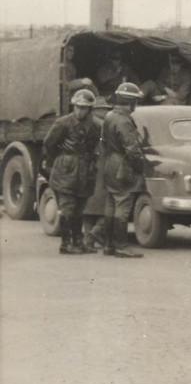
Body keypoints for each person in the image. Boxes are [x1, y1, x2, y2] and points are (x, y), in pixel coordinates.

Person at [42, 89, 102, 255]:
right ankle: (66, 243)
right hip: (67, 169)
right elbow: (49, 144)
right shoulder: (63, 123)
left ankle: (78, 241)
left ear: (90, 109)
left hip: (85, 169)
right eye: (76, 106)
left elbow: (95, 145)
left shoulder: (96, 125)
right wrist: (63, 156)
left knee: (80, 206)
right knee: (68, 207)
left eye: (83, 107)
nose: (79, 110)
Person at [100, 82, 147, 258]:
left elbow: (104, 141)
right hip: (122, 165)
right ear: (131, 102)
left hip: (110, 163)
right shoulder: (124, 120)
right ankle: (121, 246)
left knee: (111, 205)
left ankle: (108, 245)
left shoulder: (110, 116)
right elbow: (132, 150)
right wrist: (139, 167)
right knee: (123, 205)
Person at [82, 96, 113, 250]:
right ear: (96, 110)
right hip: (100, 167)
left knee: (88, 207)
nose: (107, 111)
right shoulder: (102, 125)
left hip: (85, 167)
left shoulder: (85, 123)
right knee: (105, 204)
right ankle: (96, 232)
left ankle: (88, 240)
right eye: (104, 109)